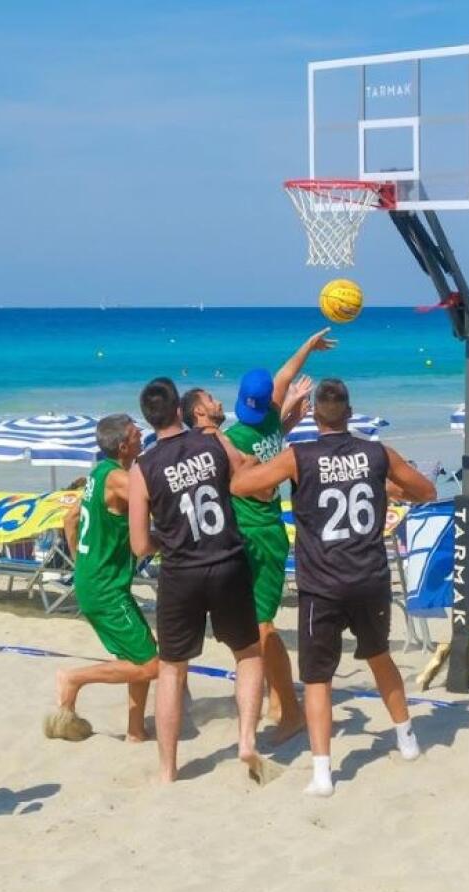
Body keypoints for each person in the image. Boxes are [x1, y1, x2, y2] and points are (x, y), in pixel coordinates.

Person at [231, 379, 435, 797]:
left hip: (321, 583)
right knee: (380, 658)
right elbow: (426, 490)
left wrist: (251, 461)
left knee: (319, 678)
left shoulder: (298, 457)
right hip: (370, 577)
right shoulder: (377, 453)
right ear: (350, 411)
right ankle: (407, 738)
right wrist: (386, 487)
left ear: (313, 415)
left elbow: (239, 487)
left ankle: (323, 773)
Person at [128, 377, 267, 784]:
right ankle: (245, 740)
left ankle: (168, 769)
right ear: (177, 410)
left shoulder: (143, 467)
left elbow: (139, 545)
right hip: (226, 559)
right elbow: (246, 478)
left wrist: (165, 539)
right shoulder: (212, 442)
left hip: (181, 570)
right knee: (247, 654)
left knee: (172, 669)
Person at [220, 329, 336, 742]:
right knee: (253, 627)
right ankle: (275, 700)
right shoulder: (271, 416)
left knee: (262, 628)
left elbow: (260, 486)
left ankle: (291, 710)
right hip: (256, 535)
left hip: (261, 534)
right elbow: (287, 372)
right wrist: (308, 346)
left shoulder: (235, 438)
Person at [49, 415, 159, 742]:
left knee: (138, 653)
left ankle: (136, 731)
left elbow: (70, 519)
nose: (143, 435)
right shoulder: (117, 481)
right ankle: (74, 678)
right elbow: (153, 494)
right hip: (105, 588)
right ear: (124, 445)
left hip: (95, 579)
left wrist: (83, 562)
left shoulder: (98, 472)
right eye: (137, 433)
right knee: (152, 664)